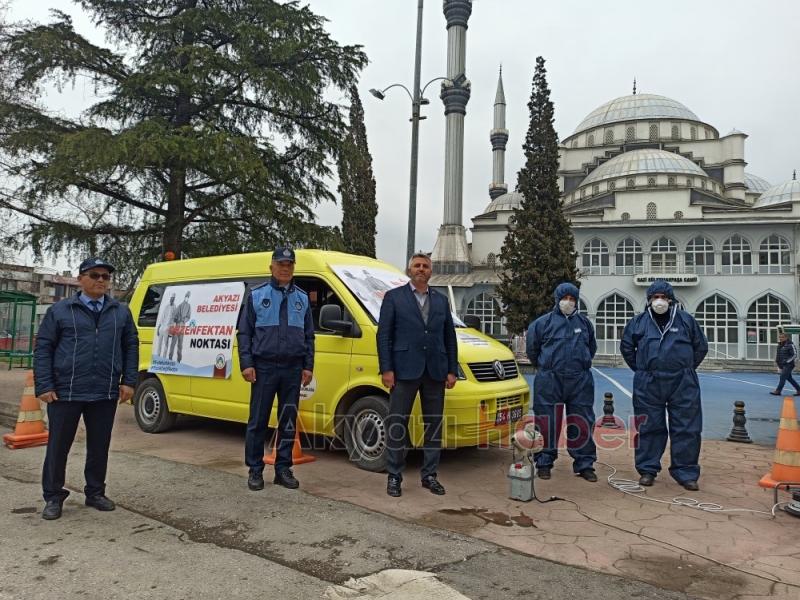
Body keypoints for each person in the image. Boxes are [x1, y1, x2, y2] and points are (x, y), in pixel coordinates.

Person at [33, 257, 139, 520]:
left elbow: (131, 346)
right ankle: (53, 496)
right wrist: (44, 385)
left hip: (104, 391)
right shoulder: (60, 311)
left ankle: (95, 492)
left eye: (105, 276)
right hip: (65, 391)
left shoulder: (120, 311)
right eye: (95, 275)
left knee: (100, 446)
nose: (101, 280)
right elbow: (44, 348)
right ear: (81, 279)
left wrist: (129, 381)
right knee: (58, 446)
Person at [377, 253, 458, 497]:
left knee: (433, 424)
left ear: (430, 271)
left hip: (435, 371)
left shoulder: (441, 301)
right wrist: (387, 369)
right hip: (403, 370)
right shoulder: (394, 298)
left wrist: (452, 369)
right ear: (409, 269)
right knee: (397, 422)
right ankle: (394, 475)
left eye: (425, 266)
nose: (421, 269)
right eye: (417, 266)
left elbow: (449, 338)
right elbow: (383, 336)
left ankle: (430, 475)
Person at [237, 247, 314, 491]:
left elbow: (309, 336)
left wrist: (308, 366)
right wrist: (247, 363)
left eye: (289, 264)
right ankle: (255, 470)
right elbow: (245, 333)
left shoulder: (302, 298)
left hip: (292, 368)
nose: (285, 268)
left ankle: (283, 469)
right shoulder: (257, 295)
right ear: (271, 266)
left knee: (288, 421)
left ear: (293, 267)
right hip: (264, 367)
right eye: (280, 263)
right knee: (258, 420)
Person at [620, 281, 708, 491]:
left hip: (682, 381)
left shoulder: (686, 321)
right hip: (648, 382)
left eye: (663, 297)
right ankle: (647, 470)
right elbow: (627, 348)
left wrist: (685, 368)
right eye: (655, 296)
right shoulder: (639, 322)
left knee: (687, 427)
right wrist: (643, 369)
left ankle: (685, 472)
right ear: (649, 299)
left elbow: (700, 347)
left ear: (671, 299)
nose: (659, 301)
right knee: (649, 426)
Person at [526, 282, 598, 482]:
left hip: (579, 380)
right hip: (550, 378)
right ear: (557, 300)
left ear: (577, 301)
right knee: (547, 421)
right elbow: (533, 350)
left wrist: (578, 365)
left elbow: (591, 348)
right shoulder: (542, 323)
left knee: (581, 421)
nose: (568, 302)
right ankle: (544, 462)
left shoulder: (584, 324)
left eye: (572, 299)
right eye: (564, 298)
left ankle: (584, 464)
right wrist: (546, 366)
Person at [771, 332, 800, 396]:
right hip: (782, 364)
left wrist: (787, 361)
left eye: (782, 337)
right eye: (780, 337)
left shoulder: (790, 345)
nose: (781, 338)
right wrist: (777, 361)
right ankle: (799, 390)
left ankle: (778, 391)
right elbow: (778, 355)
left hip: (789, 365)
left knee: (782, 377)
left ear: (786, 338)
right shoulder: (779, 345)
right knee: (789, 378)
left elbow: (795, 354)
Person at [168, 290, 192, 363]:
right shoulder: (179, 305)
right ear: (184, 297)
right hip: (177, 326)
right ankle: (170, 358)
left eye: (188, 297)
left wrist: (184, 320)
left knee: (180, 344)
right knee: (173, 343)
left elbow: (188, 316)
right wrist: (176, 320)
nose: (187, 298)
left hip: (182, 327)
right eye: (186, 296)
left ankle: (179, 359)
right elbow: (174, 316)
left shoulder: (189, 306)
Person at [157, 293, 176, 357]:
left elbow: (174, 320)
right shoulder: (166, 306)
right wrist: (158, 328)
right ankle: (158, 356)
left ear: (174, 299)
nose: (171, 300)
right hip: (162, 327)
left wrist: (171, 332)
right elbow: (162, 317)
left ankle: (164, 358)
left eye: (173, 299)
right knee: (159, 344)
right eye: (171, 299)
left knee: (165, 344)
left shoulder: (174, 307)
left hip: (167, 328)